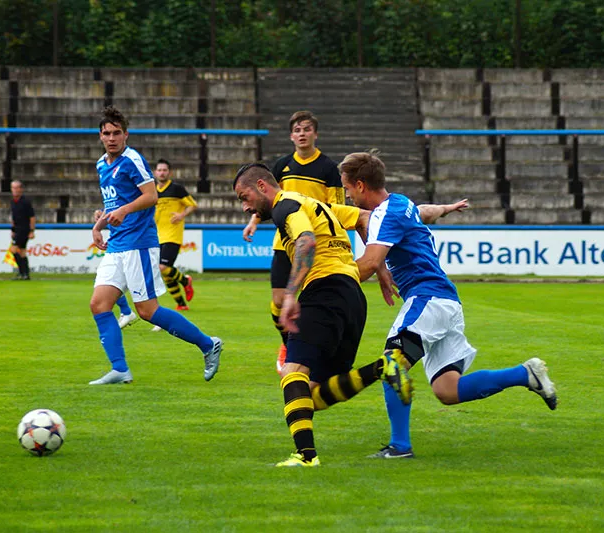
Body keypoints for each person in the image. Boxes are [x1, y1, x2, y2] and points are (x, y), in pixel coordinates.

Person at [339, 151, 557, 459]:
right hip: (445, 302)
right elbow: (424, 212)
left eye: (347, 188)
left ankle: (400, 447)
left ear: (361, 185)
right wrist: (445, 209)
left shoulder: (386, 214)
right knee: (447, 390)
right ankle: (525, 374)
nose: (347, 195)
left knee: (392, 364)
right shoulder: (399, 204)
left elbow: (370, 261)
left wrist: (328, 282)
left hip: (427, 298)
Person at [233, 162, 411, 467]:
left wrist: (291, 294)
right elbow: (365, 217)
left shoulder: (284, 205)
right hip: (352, 297)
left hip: (324, 291)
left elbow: (306, 241)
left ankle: (306, 457)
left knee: (292, 372)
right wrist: (378, 265)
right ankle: (383, 368)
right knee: (311, 396)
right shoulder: (315, 204)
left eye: (244, 197)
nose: (245, 206)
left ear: (262, 186)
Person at [88, 106, 222, 385]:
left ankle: (208, 344)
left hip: (138, 243)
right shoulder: (101, 164)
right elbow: (112, 203)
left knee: (147, 311)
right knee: (99, 304)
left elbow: (151, 196)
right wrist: (98, 225)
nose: (111, 138)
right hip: (117, 244)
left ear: (125, 134)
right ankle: (120, 369)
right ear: (100, 136)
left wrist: (124, 210)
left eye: (116, 133)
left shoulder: (132, 160)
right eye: (106, 133)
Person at [242, 111, 344, 374]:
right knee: (278, 300)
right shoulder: (282, 165)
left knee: (312, 298)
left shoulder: (328, 168)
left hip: (315, 241)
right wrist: (254, 221)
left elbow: (337, 207)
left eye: (307, 129)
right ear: (291, 136)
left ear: (315, 133)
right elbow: (265, 198)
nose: (302, 134)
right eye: (297, 130)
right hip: (284, 241)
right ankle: (287, 343)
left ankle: (309, 349)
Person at [9, 180, 35, 280]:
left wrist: (32, 231)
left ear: (20, 189)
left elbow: (32, 217)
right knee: (22, 252)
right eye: (13, 188)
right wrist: (13, 230)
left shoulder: (25, 202)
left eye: (16, 188)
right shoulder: (13, 202)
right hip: (17, 230)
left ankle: (22, 272)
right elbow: (13, 217)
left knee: (13, 249)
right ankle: (25, 274)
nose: (15, 190)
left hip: (24, 230)